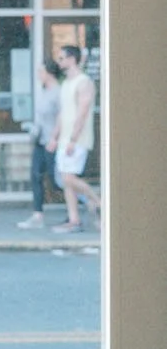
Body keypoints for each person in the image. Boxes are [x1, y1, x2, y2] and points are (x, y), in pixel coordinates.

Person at [55, 42, 99, 230]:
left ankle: (99, 201)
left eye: (61, 58)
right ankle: (74, 219)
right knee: (66, 179)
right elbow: (63, 112)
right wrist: (54, 136)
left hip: (77, 139)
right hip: (65, 138)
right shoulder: (66, 83)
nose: (59, 62)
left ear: (72, 59)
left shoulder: (84, 82)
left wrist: (73, 139)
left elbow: (82, 112)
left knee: (68, 178)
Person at [17, 62, 62, 229]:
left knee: (58, 180)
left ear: (50, 73)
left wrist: (55, 138)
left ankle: (92, 202)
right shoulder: (44, 92)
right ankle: (37, 216)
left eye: (41, 71)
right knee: (35, 176)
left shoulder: (58, 92)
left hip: (53, 142)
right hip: (41, 141)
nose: (38, 74)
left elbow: (62, 117)